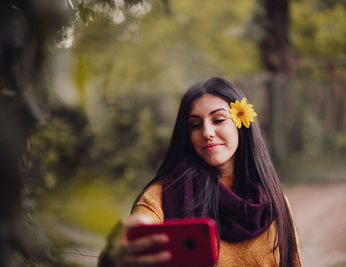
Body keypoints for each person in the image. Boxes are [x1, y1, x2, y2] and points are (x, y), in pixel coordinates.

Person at [98, 77, 301, 267]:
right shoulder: (160, 197)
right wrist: (114, 255)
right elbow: (127, 247)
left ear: (241, 123)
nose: (207, 132)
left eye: (218, 120)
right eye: (195, 125)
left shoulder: (277, 203)